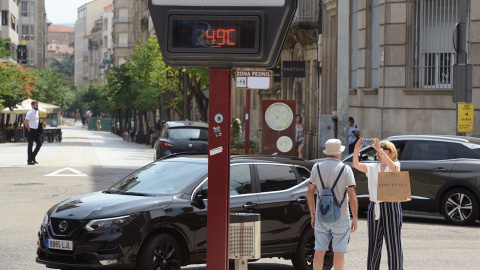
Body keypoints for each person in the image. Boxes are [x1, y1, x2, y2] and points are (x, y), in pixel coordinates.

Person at [307, 138, 358, 270]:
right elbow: (352, 196)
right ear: (339, 153)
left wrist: (313, 215)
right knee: (339, 251)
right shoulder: (346, 169)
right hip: (341, 216)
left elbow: (310, 193)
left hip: (321, 216)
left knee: (319, 250)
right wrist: (355, 219)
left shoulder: (316, 167)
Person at [352, 138, 403, 270]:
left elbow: (392, 168)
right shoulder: (373, 166)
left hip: (391, 206)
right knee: (374, 244)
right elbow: (356, 165)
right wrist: (356, 150)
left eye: (385, 148)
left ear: (391, 151)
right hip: (374, 206)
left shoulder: (396, 164)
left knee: (393, 244)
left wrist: (379, 150)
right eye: (381, 147)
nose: (381, 149)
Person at [24, 101, 43, 165]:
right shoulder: (30, 113)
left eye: (37, 105)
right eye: (36, 105)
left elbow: (35, 120)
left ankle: (33, 157)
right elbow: (25, 121)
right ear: (32, 106)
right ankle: (29, 160)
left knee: (39, 143)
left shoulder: (36, 112)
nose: (37, 106)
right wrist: (29, 129)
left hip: (36, 130)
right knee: (30, 145)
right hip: (31, 130)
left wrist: (40, 121)